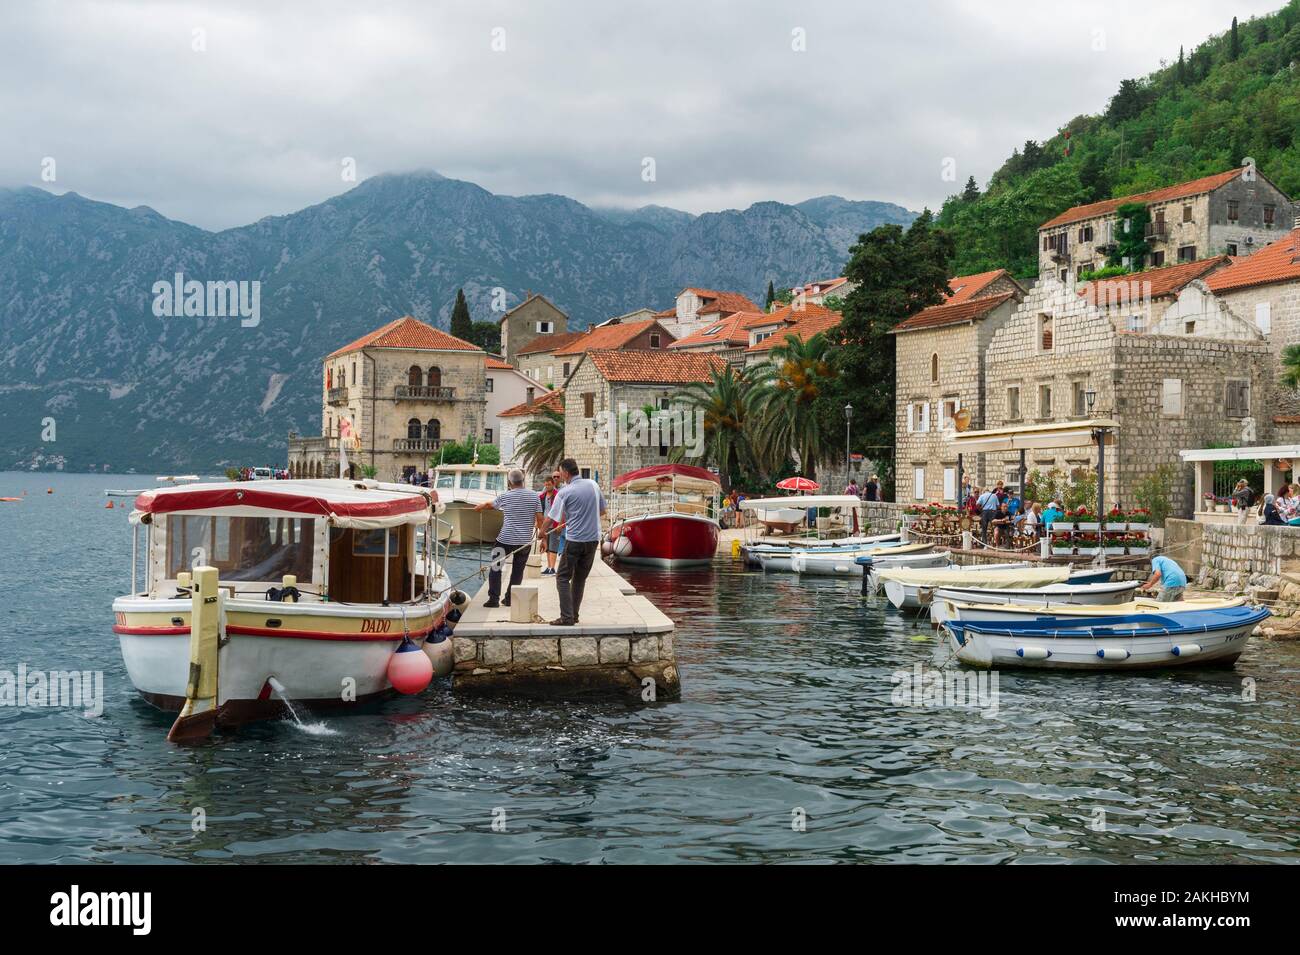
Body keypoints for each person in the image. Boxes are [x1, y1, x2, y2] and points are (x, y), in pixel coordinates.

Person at [542, 458, 606, 626]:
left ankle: (566, 617)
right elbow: (603, 511)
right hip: (593, 541)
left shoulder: (564, 492)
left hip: (575, 540)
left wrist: (541, 533)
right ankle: (574, 615)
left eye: (560, 472)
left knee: (562, 577)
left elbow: (550, 519)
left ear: (566, 473)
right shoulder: (593, 485)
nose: (560, 475)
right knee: (579, 579)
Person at [474, 468, 542, 608]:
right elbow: (540, 520)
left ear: (510, 482)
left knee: (496, 568)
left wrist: (479, 507)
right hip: (524, 542)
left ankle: (493, 600)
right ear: (522, 480)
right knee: (518, 571)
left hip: (504, 540)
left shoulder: (505, 496)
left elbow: (489, 505)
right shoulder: (534, 496)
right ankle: (510, 599)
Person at [539, 474, 563, 574]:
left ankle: (552, 568)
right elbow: (539, 510)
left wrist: (560, 524)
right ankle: (549, 567)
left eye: (549, 484)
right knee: (547, 547)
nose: (547, 486)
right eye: (546, 485)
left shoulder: (558, 495)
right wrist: (538, 524)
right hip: (545, 525)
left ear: (553, 484)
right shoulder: (542, 496)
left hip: (554, 524)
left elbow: (562, 511)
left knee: (553, 546)